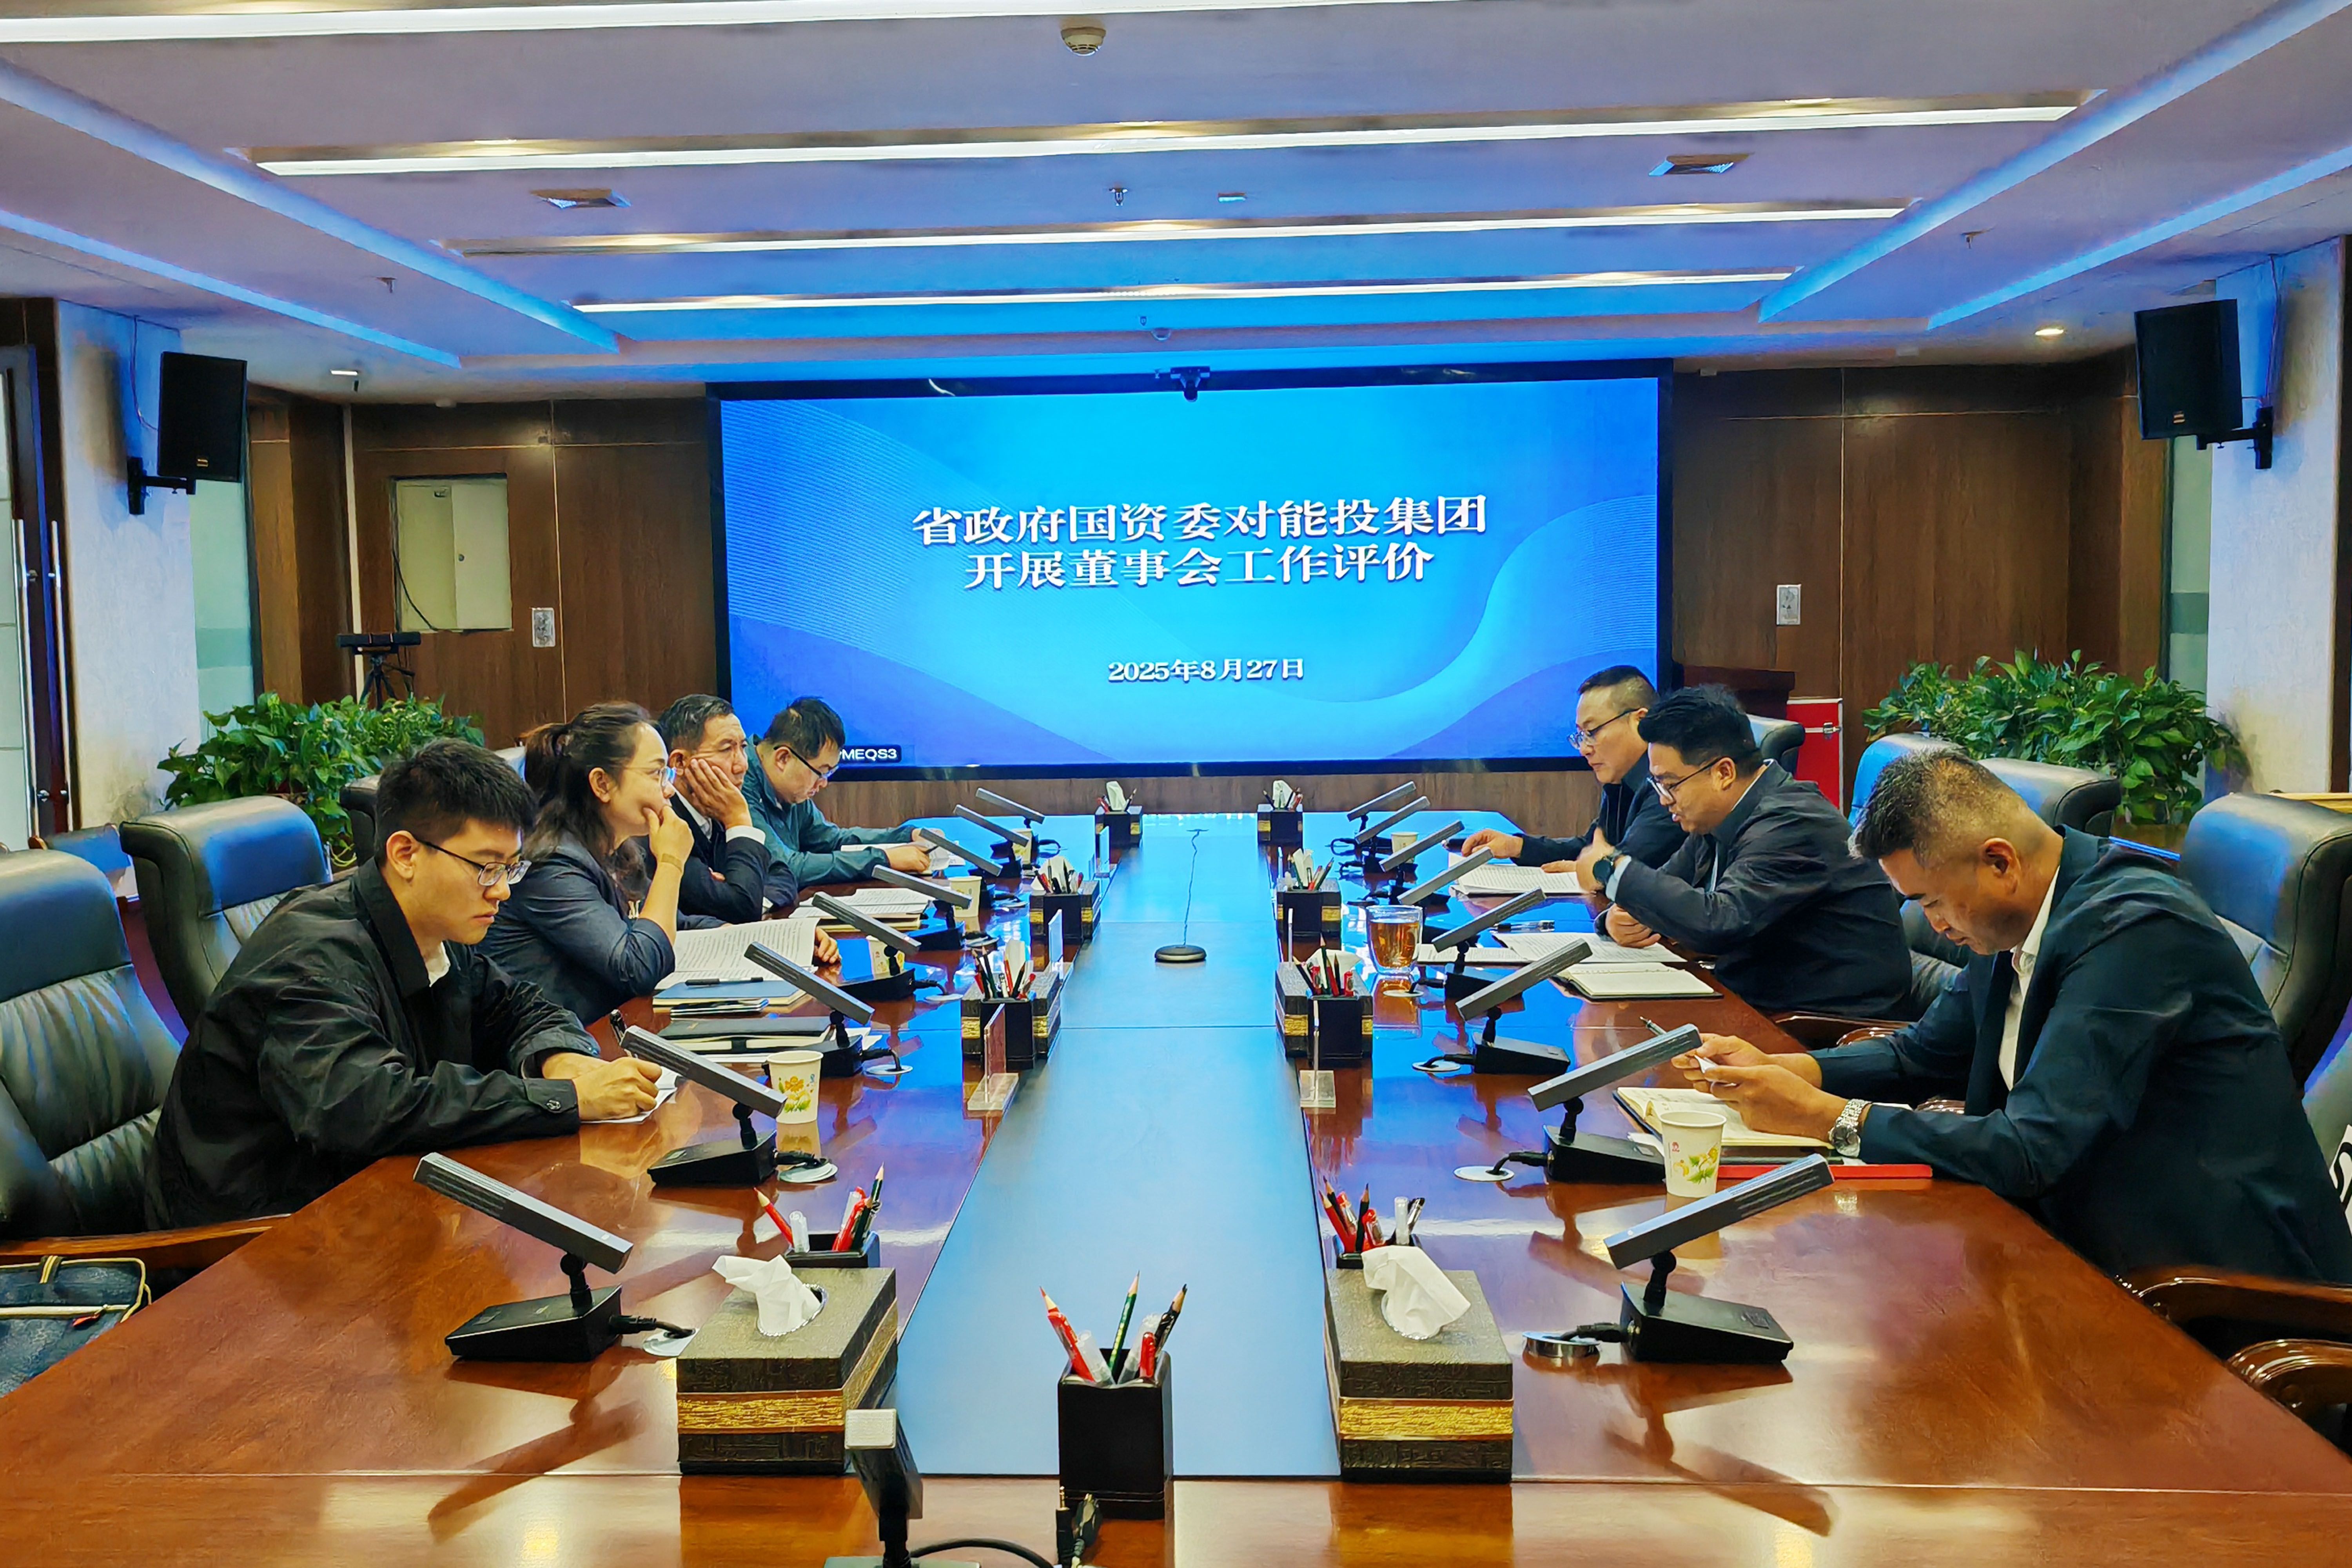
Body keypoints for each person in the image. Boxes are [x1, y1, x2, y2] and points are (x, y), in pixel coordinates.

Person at [1681, 748, 2352, 1283]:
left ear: (1999, 861)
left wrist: (1831, 1119)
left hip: (2200, 1286)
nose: (1933, 925)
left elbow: (2034, 1149)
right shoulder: (2020, 918)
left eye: (1932, 901)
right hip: (2076, 1243)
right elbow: (1924, 1054)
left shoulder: (2135, 931)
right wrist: (1787, 1069)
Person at [150, 740, 663, 1227]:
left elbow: (518, 1006)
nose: (502, 891)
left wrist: (560, 1058)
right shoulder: (312, 957)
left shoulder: (435, 930)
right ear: (405, 854)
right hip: (257, 1241)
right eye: (487, 868)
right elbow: (369, 1108)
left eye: (511, 868)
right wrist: (564, 1096)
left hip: (371, 1200)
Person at [1573, 686, 1911, 1017]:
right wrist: (1617, 919)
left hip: (1822, 1023)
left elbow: (1719, 922)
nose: (1664, 800)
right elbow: (1667, 889)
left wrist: (1614, 870)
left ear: (1723, 773)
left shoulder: (1793, 822)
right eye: (1658, 785)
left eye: (1671, 784)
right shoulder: (1717, 817)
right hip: (1757, 998)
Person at [484, 701, 699, 1025]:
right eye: (656, 774)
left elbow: (666, 921)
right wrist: (671, 863)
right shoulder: (551, 864)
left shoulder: (613, 848)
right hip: (556, 1045)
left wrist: (734, 934)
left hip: (606, 1032)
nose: (669, 789)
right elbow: (638, 968)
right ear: (602, 784)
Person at [1461, 664, 1683, 873]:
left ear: (1641, 721)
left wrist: (1591, 870)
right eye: (1581, 735)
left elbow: (1628, 866)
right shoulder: (1621, 780)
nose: (1584, 749)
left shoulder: (1667, 785)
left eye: (1592, 732)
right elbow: (1589, 848)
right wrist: (1518, 847)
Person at [746, 696, 932, 887]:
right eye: (821, 772)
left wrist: (907, 836)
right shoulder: (740, 784)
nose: (824, 783)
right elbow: (785, 868)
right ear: (783, 759)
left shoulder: (790, 790)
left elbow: (832, 840)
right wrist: (883, 860)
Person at [657, 692, 801, 924]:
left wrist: (755, 897)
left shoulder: (716, 811)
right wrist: (738, 820)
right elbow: (742, 910)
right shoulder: (664, 825)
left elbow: (783, 875)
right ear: (680, 763)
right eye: (726, 750)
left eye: (743, 747)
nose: (742, 765)